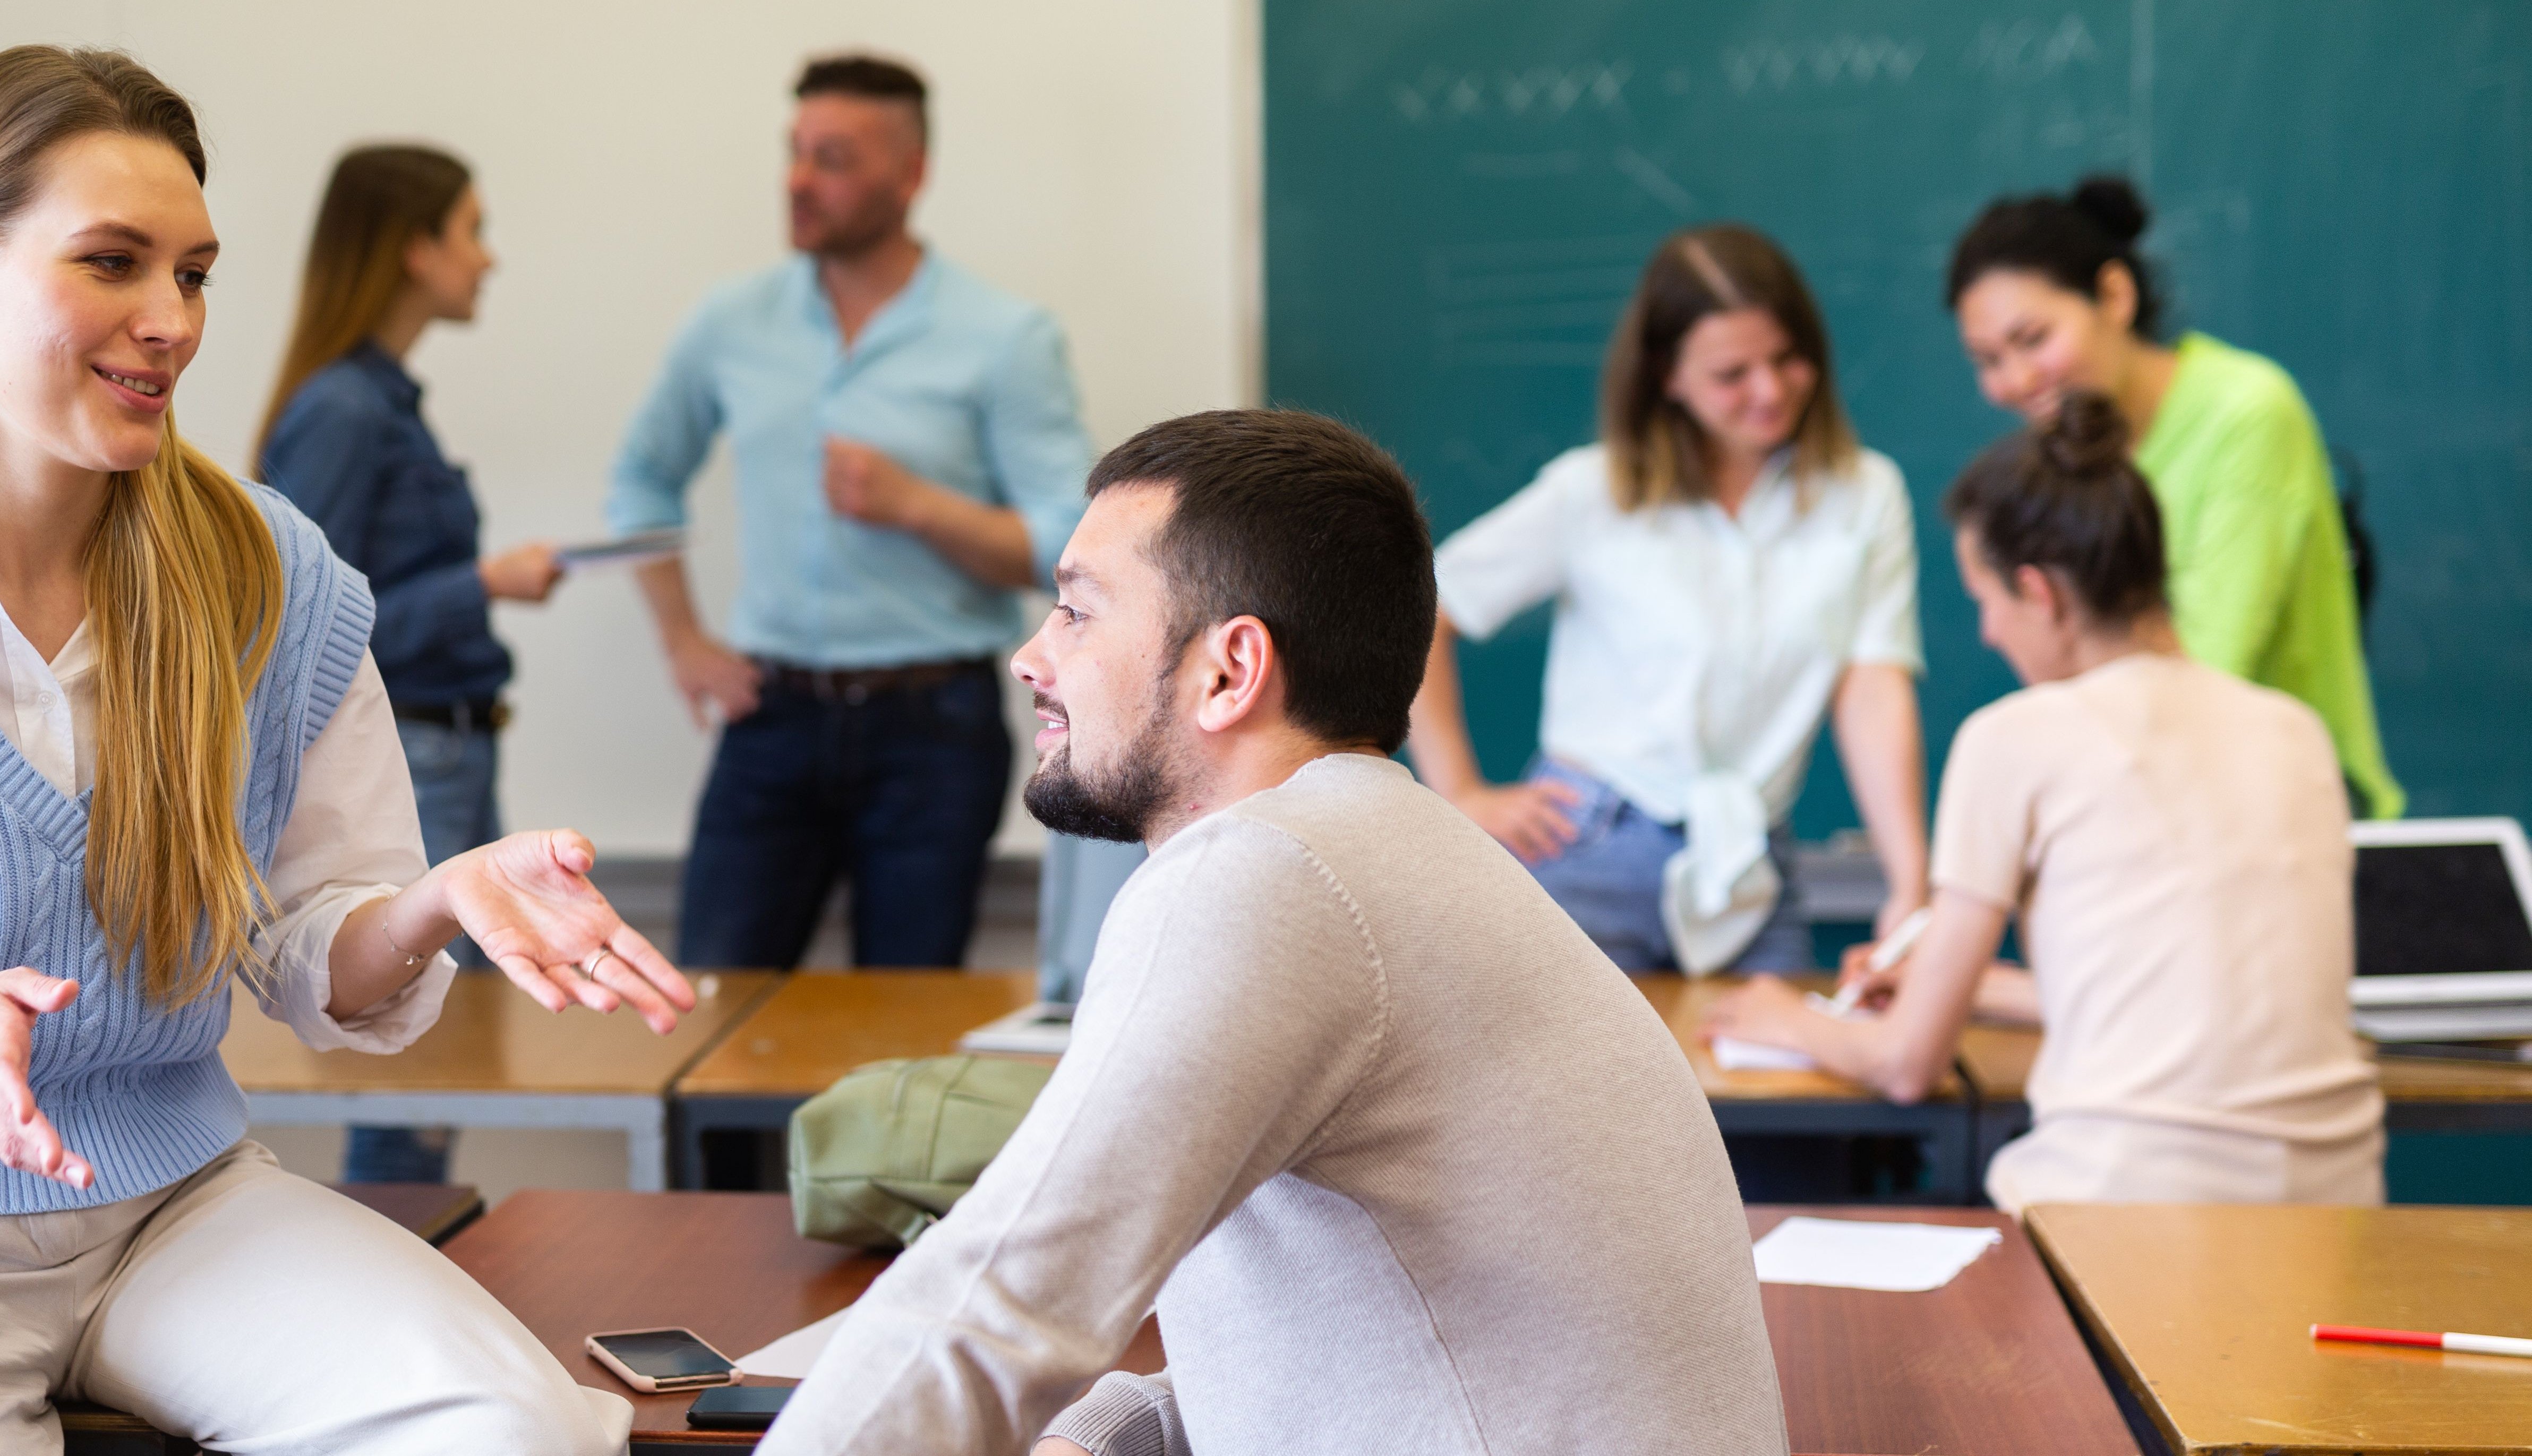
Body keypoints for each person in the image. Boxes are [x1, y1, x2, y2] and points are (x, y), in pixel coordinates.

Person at [0, 47, 694, 1453]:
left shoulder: (274, 575)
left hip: (173, 1205)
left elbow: (314, 945)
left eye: (194, 273)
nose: (171, 321)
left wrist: (438, 901)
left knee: (520, 1428)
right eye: (113, 262)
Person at [763, 410, 1785, 1455]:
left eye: (1076, 611)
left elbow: (993, 1308)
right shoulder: (1389, 848)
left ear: (1230, 670)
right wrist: (1104, 1430)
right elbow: (1362, 1350)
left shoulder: (1264, 877)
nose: (1033, 657)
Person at [1703, 393, 2384, 1211]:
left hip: (2119, 1221)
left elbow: (1905, 1063)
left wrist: (1788, 1016)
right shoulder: (2296, 733)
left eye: (1987, 600)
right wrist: (1974, 986)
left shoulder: (2016, 736)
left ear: (2041, 593)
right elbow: (2184, 995)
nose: (1989, 631)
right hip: (2335, 1215)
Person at [606, 54, 1093, 970]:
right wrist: (684, 641)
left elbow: (1068, 546)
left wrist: (919, 507)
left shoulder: (1006, 337)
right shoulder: (730, 322)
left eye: (832, 158)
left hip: (935, 729)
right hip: (770, 718)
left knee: (900, 1030)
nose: (798, 181)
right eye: (795, 153)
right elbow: (640, 480)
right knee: (710, 1016)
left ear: (910, 176)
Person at [1408, 225, 1928, 974]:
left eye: (1787, 359)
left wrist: (1909, 877)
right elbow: (1426, 605)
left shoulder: (1862, 493)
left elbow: (1874, 684)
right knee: (1567, 1086)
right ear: (1667, 376)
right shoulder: (1595, 490)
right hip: (1585, 844)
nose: (1769, 391)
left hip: (1750, 857)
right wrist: (1456, 791)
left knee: (1770, 1082)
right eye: (1731, 374)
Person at [258, 144, 562, 1185]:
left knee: (435, 1042)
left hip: (454, 750)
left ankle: (410, 1241)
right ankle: (394, 1249)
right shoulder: (344, 410)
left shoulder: (384, 401)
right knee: (410, 1047)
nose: (489, 260)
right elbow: (305, 619)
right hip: (416, 757)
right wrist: (483, 583)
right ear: (414, 248)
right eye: (471, 231)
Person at [1948, 174, 2403, 817]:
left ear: (2114, 294)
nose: (2016, 381)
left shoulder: (2247, 412)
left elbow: (2210, 670)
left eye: (2034, 340)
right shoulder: (2069, 464)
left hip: (2290, 812)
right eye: (1987, 360)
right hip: (2153, 804)